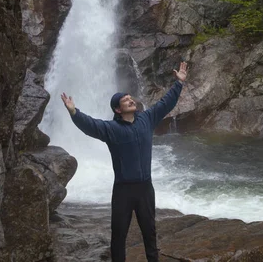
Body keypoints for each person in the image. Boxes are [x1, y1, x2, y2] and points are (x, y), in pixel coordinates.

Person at [60, 61, 188, 262]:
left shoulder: (147, 119)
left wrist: (178, 83)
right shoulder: (111, 129)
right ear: (118, 110)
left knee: (150, 232)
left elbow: (166, 103)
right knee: (118, 235)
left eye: (130, 98)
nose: (131, 101)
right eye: (125, 100)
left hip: (145, 187)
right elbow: (90, 125)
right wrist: (74, 112)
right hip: (123, 190)